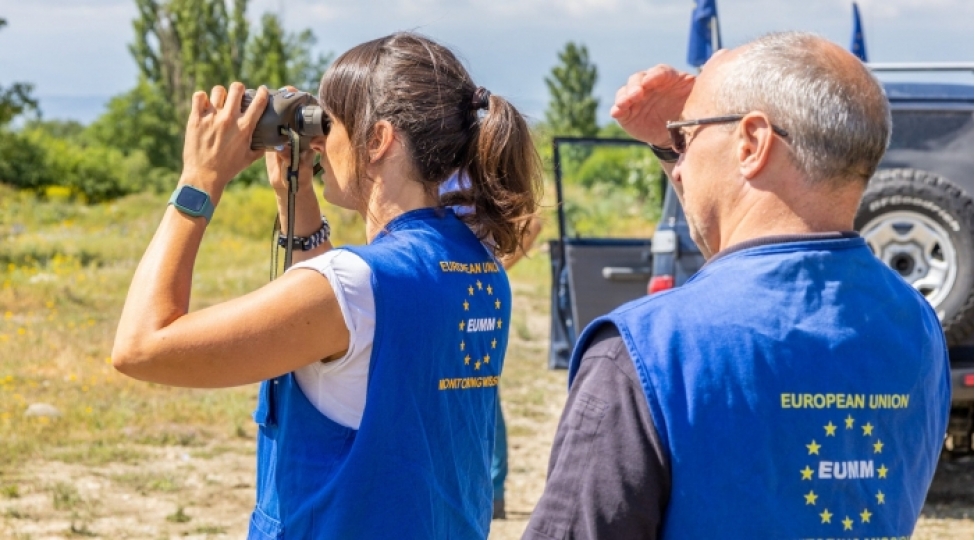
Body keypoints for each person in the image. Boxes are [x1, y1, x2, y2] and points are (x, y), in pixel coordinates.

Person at [111, 32, 541, 539]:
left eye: (328, 124)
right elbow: (341, 357)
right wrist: (294, 195)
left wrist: (199, 180)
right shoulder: (479, 266)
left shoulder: (355, 284)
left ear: (378, 140)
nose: (316, 140)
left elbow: (141, 347)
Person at [524, 32, 950, 539]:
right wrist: (683, 139)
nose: (678, 166)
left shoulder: (645, 351)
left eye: (685, 138)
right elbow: (741, 259)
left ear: (751, 143)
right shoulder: (916, 324)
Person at [440, 170, 544, 519]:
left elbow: (532, 222)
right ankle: (486, 490)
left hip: (467, 292)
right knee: (472, 386)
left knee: (477, 387)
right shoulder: (434, 166)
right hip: (450, 289)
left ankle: (492, 491)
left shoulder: (474, 169)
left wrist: (495, 269)